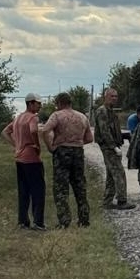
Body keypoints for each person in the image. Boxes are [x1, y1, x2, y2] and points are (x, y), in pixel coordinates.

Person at [39, 92, 94, 228]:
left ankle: (64, 221)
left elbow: (45, 130)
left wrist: (51, 147)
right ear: (70, 102)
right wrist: (76, 141)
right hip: (78, 152)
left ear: (59, 103)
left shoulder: (57, 115)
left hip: (62, 151)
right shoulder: (82, 117)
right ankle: (84, 219)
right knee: (80, 186)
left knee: (61, 187)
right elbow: (89, 138)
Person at [0, 93, 46, 231]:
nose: (40, 105)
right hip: (31, 158)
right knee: (38, 190)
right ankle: (38, 222)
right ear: (31, 103)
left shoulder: (18, 117)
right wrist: (37, 145)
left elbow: (4, 132)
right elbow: (33, 130)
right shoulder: (33, 117)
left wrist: (16, 145)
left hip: (19, 158)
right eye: (38, 103)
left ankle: (22, 221)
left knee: (23, 191)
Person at [93, 87, 135, 209]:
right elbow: (104, 131)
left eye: (116, 96)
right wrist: (113, 147)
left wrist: (123, 136)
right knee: (119, 172)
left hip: (112, 145)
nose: (114, 99)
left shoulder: (111, 111)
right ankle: (122, 201)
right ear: (105, 97)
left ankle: (107, 201)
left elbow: (112, 129)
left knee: (111, 174)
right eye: (112, 96)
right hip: (108, 147)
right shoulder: (102, 111)